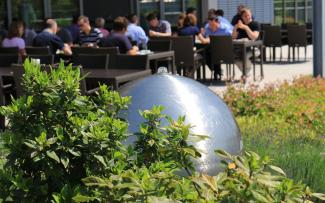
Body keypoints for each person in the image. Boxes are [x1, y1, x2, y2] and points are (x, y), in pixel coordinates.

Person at [198, 16, 232, 80]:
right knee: (203, 53)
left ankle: (217, 71)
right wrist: (202, 34)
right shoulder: (207, 28)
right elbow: (206, 38)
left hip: (224, 50)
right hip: (212, 49)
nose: (211, 26)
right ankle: (217, 71)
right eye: (210, 24)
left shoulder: (225, 29)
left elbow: (232, 38)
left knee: (212, 53)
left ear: (217, 23)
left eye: (212, 24)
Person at [232, 8, 260, 78]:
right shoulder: (241, 25)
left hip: (253, 48)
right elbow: (233, 37)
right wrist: (235, 28)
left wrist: (246, 28)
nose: (247, 17)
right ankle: (246, 72)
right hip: (240, 48)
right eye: (245, 16)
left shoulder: (255, 24)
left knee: (242, 56)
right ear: (242, 17)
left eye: (249, 15)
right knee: (233, 57)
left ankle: (245, 73)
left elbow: (254, 37)